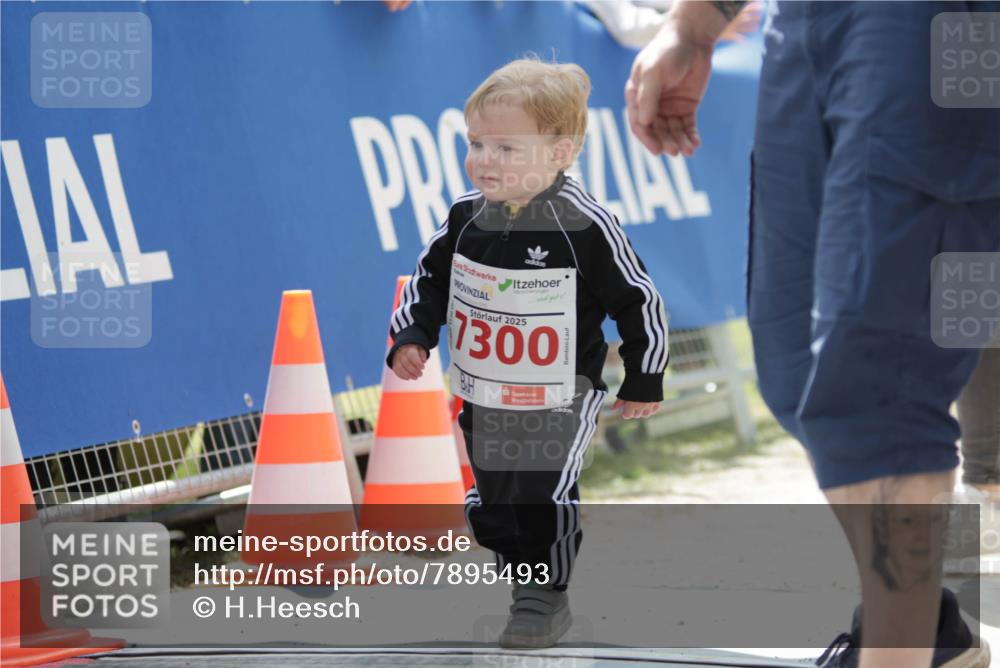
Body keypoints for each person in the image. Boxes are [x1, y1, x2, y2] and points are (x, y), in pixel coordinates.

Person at [625, 1, 999, 667]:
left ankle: (904, 651)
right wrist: (696, 24)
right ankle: (929, 636)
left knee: (878, 379)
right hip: (806, 21)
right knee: (797, 363)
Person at [386, 57, 669, 648]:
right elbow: (429, 279)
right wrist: (413, 333)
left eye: (507, 149)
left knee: (542, 489)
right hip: (486, 391)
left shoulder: (586, 225)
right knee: (494, 498)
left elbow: (638, 300)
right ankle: (515, 559)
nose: (485, 160)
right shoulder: (465, 217)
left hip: (564, 393)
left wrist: (643, 376)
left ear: (560, 153)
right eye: (477, 144)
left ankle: (542, 596)